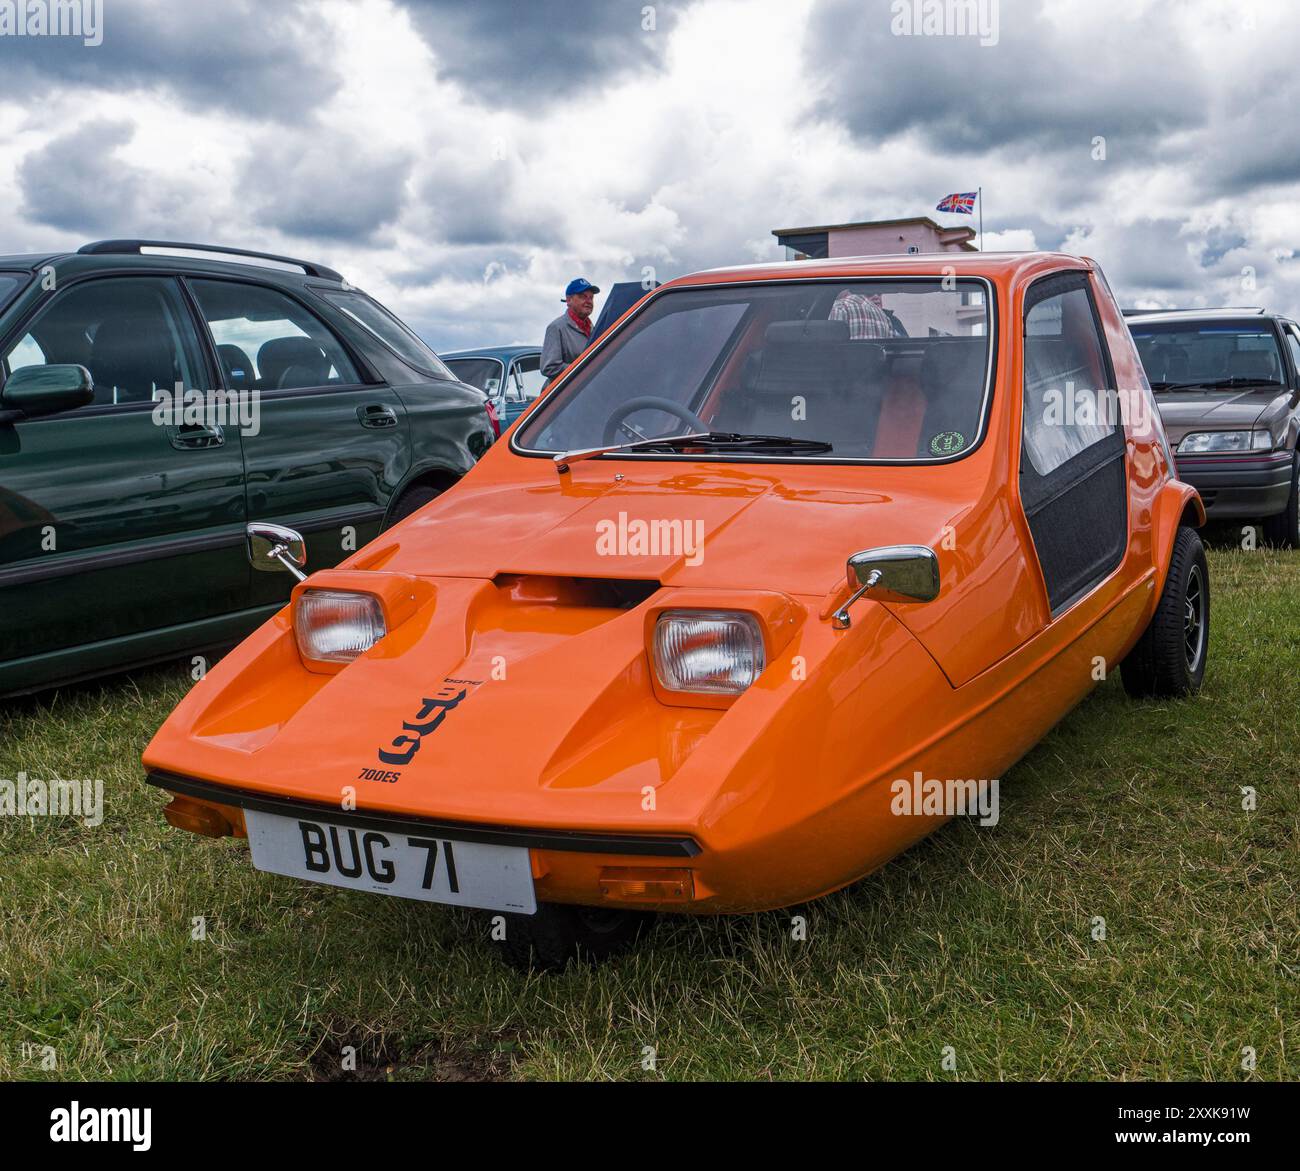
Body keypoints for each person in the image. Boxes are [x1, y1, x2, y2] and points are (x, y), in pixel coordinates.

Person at [541, 278, 601, 378]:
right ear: (569, 300)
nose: (588, 301)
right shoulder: (556, 328)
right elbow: (549, 368)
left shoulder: (593, 329)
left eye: (591, 297)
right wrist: (584, 369)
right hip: (565, 393)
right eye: (583, 297)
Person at [830, 288, 895, 339]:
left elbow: (830, 348)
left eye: (879, 293)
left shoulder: (839, 308)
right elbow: (890, 351)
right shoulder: (884, 317)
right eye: (870, 293)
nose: (876, 296)